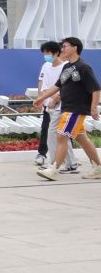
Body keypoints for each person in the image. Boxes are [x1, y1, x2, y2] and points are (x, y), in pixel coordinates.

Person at [33, 36, 101, 181]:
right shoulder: (67, 67)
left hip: (76, 109)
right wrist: (41, 98)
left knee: (61, 136)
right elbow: (58, 86)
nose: (62, 49)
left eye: (65, 46)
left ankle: (54, 169)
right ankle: (98, 168)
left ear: (75, 48)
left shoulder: (83, 67)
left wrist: (94, 108)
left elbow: (96, 89)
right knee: (82, 138)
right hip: (67, 107)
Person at [35, 41, 70, 169]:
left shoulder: (67, 67)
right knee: (52, 132)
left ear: (56, 52)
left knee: (59, 134)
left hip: (62, 106)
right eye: (44, 53)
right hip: (48, 105)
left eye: (48, 53)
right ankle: (66, 162)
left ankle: (58, 162)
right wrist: (41, 99)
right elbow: (42, 84)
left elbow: (65, 87)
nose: (46, 56)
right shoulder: (46, 66)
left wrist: (56, 99)